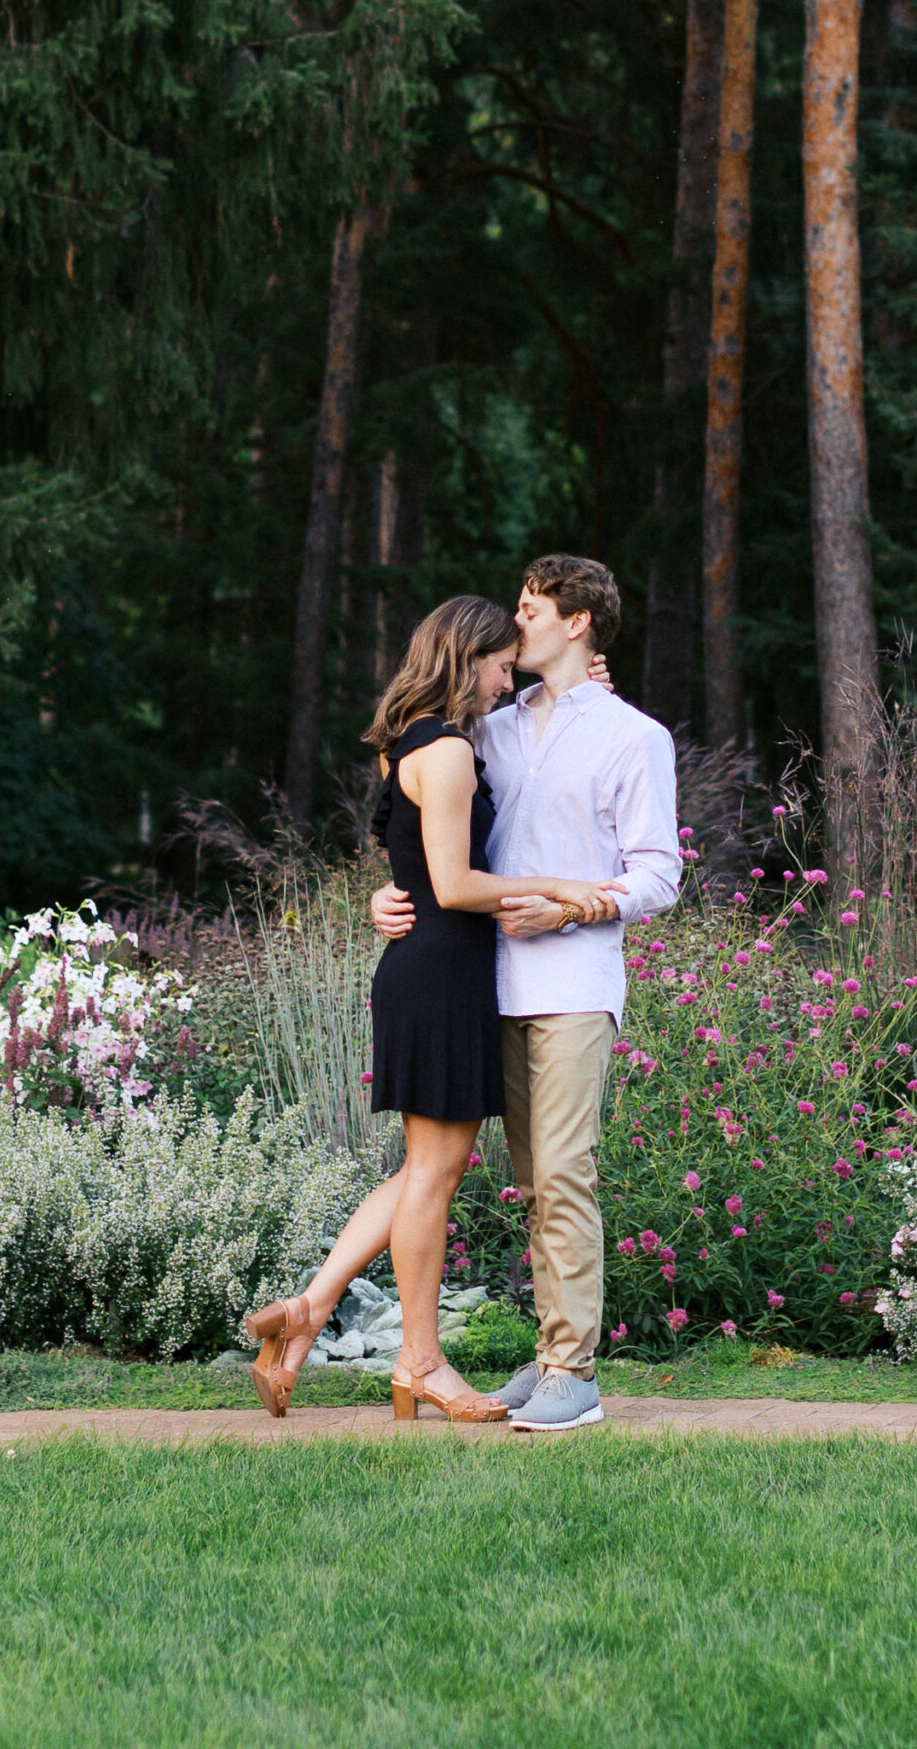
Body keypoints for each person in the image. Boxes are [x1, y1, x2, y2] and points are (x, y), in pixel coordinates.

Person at [243, 593, 623, 1424]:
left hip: (429, 969)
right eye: (497, 667)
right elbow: (452, 885)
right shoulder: (448, 749)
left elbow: (421, 868)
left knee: (424, 1171)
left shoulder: (412, 738)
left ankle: (306, 1315)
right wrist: (557, 885)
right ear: (469, 660)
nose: (503, 683)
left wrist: (584, 679)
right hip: (441, 972)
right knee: (433, 1177)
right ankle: (421, 1362)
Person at [372, 554, 680, 1433]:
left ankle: (571, 1372)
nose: (517, 623)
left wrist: (577, 910)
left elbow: (659, 874)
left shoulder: (634, 737)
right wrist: (385, 894)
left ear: (576, 623)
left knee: (566, 1173)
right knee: (530, 1181)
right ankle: (549, 1355)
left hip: (576, 983)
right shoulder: (490, 731)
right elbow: (423, 832)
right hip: (483, 986)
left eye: (530, 608)